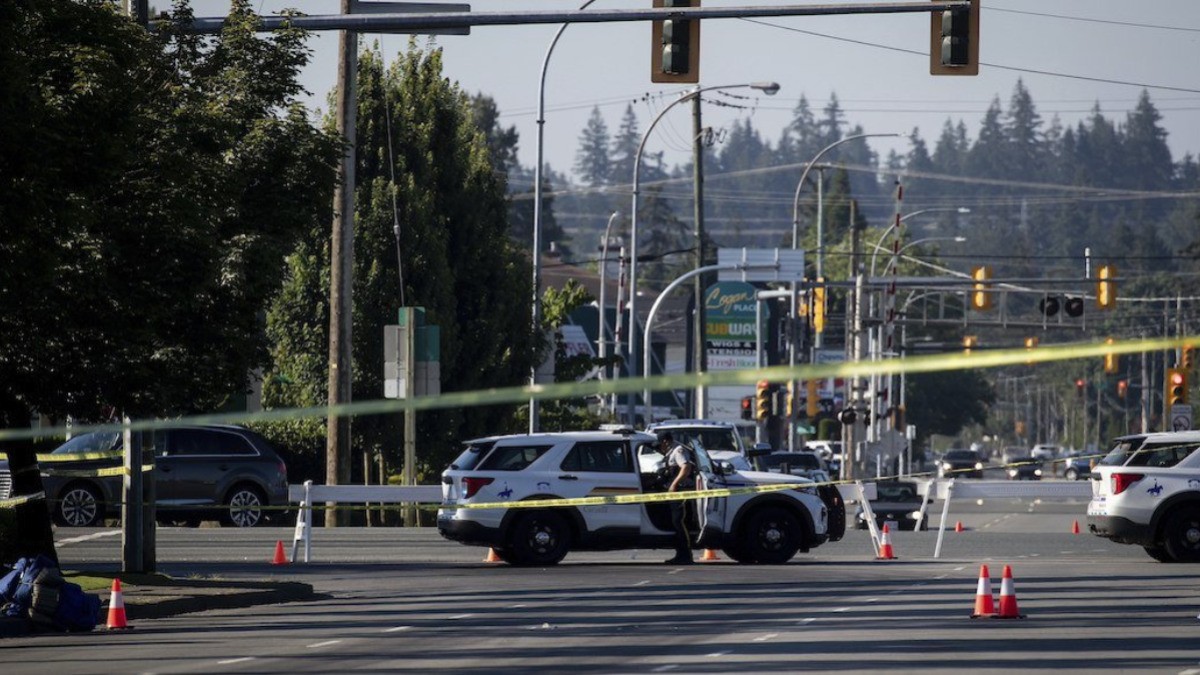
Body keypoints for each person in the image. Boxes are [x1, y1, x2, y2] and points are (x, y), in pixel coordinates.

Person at [658, 432, 696, 565]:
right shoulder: (671, 452)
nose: (660, 447)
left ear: (665, 441)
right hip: (675, 492)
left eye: (660, 443)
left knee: (678, 522)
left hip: (679, 492)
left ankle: (685, 555)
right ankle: (680, 554)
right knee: (676, 523)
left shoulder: (678, 451)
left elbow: (686, 467)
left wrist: (674, 484)